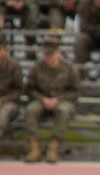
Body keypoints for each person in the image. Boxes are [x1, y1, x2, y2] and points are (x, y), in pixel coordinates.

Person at [23, 34, 79, 164]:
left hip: (63, 101)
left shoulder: (69, 68)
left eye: (51, 53)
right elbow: (29, 89)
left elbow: (76, 90)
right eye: (46, 54)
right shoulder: (37, 67)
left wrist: (58, 99)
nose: (49, 57)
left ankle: (53, 148)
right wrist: (42, 99)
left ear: (59, 53)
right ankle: (34, 149)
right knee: (31, 110)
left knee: (63, 110)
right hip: (42, 101)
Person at [0, 37, 23, 139]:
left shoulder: (14, 67)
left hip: (9, 102)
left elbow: (19, 91)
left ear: (5, 51)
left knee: (4, 112)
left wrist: (2, 100)